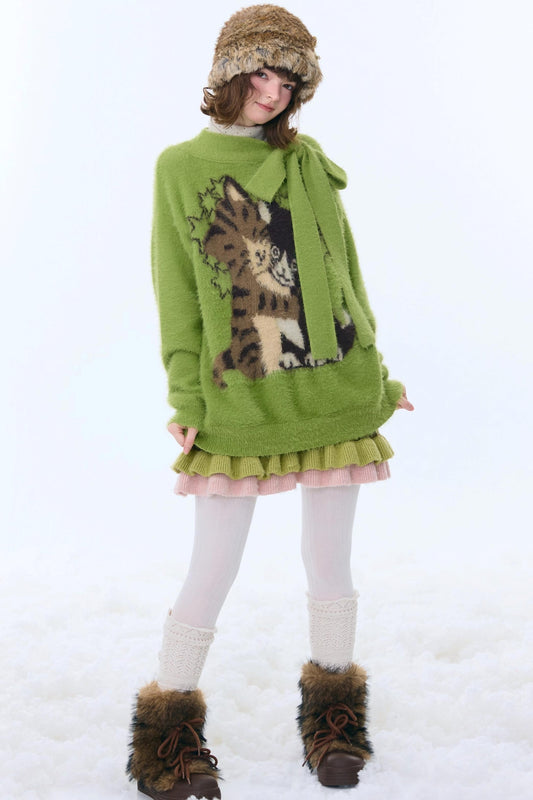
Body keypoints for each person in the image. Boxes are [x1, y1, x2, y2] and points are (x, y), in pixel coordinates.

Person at [126, 5, 413, 799]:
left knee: (329, 563)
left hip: (330, 387)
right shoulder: (181, 166)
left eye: (287, 80)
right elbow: (177, 293)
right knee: (212, 567)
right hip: (240, 393)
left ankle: (334, 721)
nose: (272, 91)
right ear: (226, 75)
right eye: (259, 72)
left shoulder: (305, 161)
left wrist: (378, 378)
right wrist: (185, 391)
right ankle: (165, 737)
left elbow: (344, 280)